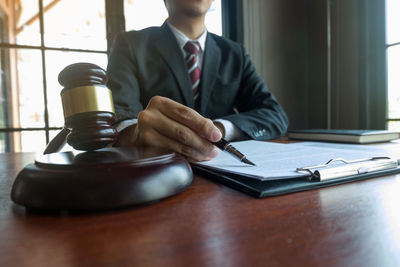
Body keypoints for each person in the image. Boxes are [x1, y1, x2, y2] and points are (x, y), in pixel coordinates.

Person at [107, 0, 288, 162]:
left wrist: (218, 129)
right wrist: (137, 135)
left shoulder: (234, 53)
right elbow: (119, 116)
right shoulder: (130, 44)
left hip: (225, 176)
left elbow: (274, 114)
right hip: (156, 171)